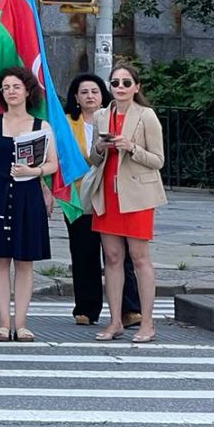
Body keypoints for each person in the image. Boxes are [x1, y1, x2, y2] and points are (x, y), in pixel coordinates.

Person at [0, 66, 57, 342]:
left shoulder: (40, 126)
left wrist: (35, 173)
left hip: (27, 194)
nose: (11, 92)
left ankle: (22, 323)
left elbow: (53, 163)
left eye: (16, 86)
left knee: (24, 262)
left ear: (27, 90)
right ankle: (3, 323)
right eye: (6, 87)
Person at [90, 61, 166, 344]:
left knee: (139, 257)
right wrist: (100, 147)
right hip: (108, 193)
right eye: (115, 83)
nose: (119, 88)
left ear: (136, 87)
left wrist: (131, 147)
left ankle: (147, 322)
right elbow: (93, 158)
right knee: (111, 258)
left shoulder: (146, 116)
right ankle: (115, 321)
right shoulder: (101, 116)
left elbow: (158, 160)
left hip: (137, 196)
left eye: (125, 83)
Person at [62, 73, 141, 328]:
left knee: (119, 252)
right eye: (84, 92)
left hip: (111, 193)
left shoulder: (114, 118)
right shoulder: (65, 124)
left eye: (94, 92)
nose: (90, 97)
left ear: (102, 94)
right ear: (75, 97)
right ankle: (86, 308)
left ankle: (129, 308)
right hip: (78, 194)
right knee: (83, 252)